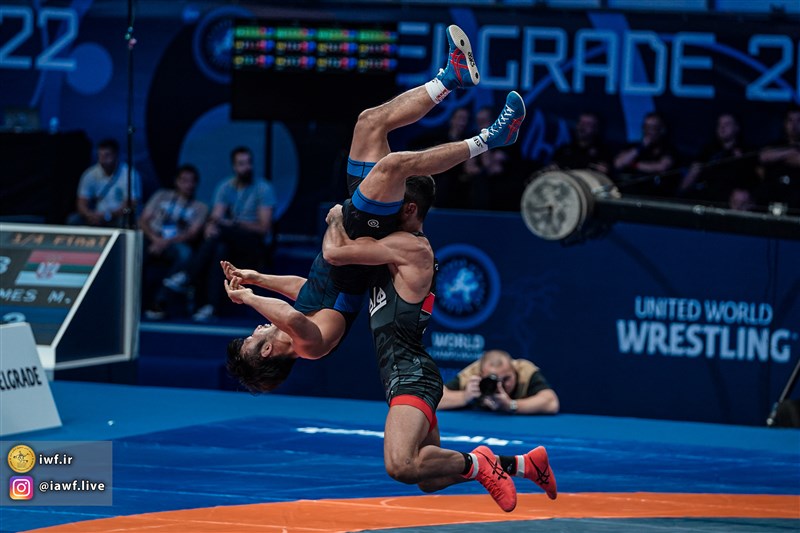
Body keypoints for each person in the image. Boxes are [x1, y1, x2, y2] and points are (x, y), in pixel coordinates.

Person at [222, 25, 546, 513]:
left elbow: (308, 288)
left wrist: (257, 278)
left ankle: (450, 77)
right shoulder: (307, 345)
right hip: (357, 235)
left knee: (369, 122)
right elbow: (314, 283)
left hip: (359, 240)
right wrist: (249, 295)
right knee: (394, 165)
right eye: (254, 336)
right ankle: (490, 138)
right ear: (268, 350)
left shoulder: (307, 315)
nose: (258, 327)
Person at [163, 146, 276, 321]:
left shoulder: (263, 188)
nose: (246, 167)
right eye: (241, 164)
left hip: (253, 242)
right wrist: (210, 227)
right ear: (234, 167)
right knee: (220, 249)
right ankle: (211, 307)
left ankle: (187, 276)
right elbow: (216, 217)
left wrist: (232, 224)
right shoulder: (225, 187)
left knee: (222, 232)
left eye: (249, 163)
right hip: (228, 240)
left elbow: (263, 228)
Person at [140, 164, 208, 320]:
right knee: (135, 249)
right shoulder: (161, 195)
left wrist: (165, 242)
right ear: (176, 182)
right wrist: (155, 239)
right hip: (152, 237)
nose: (188, 185)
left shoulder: (200, 207)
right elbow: (143, 220)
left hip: (176, 242)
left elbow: (192, 233)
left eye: (192, 181)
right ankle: (133, 299)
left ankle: (160, 300)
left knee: (185, 254)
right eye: (184, 181)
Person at [438, 349, 559, 415]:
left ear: (514, 370)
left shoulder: (524, 371)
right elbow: (435, 399)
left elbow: (552, 403)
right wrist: (464, 397)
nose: (500, 386)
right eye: (493, 380)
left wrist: (511, 405)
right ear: (481, 375)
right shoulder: (473, 372)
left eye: (506, 379)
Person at [677, 112, 758, 205]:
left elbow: (753, 179)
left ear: (737, 127)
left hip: (732, 199)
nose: (722, 127)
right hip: (708, 196)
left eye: (727, 124)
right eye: (719, 124)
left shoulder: (747, 150)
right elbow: (692, 175)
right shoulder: (708, 151)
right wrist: (682, 189)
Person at [67, 138, 141, 227]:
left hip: (117, 216)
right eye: (100, 155)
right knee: (73, 219)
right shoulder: (90, 174)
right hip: (95, 216)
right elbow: (81, 202)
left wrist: (108, 215)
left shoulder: (129, 174)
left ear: (116, 155)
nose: (103, 159)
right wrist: (89, 214)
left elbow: (131, 203)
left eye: (107, 155)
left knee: (126, 221)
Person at [613, 112, 678, 197]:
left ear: (661, 130)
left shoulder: (668, 149)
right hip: (629, 191)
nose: (648, 131)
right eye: (646, 127)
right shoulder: (634, 147)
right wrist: (641, 147)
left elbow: (661, 167)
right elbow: (618, 163)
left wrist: (633, 164)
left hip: (654, 193)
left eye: (653, 127)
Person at [757, 105, 800, 210]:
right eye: (790, 121)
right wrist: (790, 152)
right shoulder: (776, 144)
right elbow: (764, 156)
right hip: (773, 195)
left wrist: (778, 157)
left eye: (798, 121)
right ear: (785, 123)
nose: (794, 125)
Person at [549, 111, 612, 175]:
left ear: (596, 129)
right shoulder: (564, 149)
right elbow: (552, 166)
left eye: (588, 124)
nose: (582, 126)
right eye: (580, 122)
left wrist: (604, 172)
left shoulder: (603, 153)